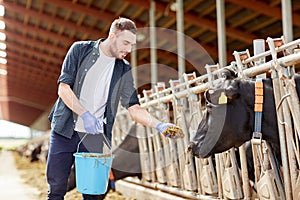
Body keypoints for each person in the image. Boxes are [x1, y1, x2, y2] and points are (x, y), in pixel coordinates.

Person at [46, 17, 183, 200]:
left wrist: (159, 125)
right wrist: (85, 114)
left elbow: (133, 107)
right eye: (126, 43)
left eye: (132, 44)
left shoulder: (123, 70)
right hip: (65, 130)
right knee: (57, 188)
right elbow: (63, 88)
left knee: (93, 192)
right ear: (112, 36)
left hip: (95, 137)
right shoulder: (80, 50)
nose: (129, 49)